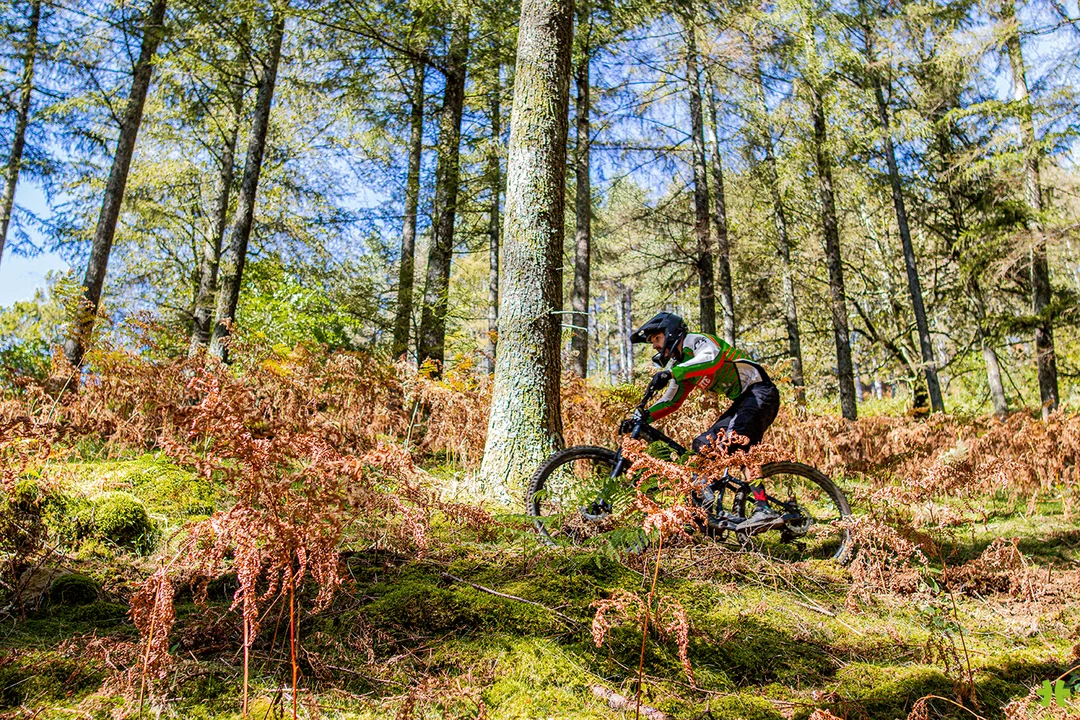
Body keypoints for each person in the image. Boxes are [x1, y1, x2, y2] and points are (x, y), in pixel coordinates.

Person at [629, 311, 781, 531]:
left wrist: (671, 373)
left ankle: (764, 508)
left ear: (670, 333)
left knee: (736, 440)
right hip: (742, 400)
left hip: (760, 392)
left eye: (657, 339)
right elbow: (671, 401)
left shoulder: (696, 341)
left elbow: (711, 359)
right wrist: (642, 416)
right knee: (702, 445)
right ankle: (707, 510)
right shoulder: (683, 365)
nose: (654, 346)